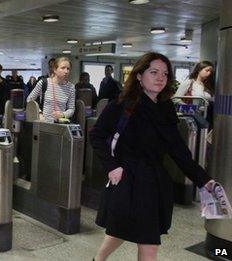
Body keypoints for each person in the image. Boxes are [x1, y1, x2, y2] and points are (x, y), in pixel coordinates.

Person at [90, 52, 215, 261]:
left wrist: (203, 180)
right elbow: (97, 135)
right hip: (127, 179)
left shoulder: (165, 107)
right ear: (139, 76)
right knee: (130, 234)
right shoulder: (122, 104)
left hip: (155, 181)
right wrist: (112, 166)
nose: (160, 78)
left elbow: (177, 149)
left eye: (165, 74)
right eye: (154, 72)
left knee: (139, 236)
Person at [26, 57, 75, 123]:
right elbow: (29, 99)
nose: (66, 71)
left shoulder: (71, 87)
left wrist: (63, 115)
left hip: (60, 126)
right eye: (63, 68)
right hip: (43, 124)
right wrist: (39, 114)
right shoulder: (44, 83)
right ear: (55, 69)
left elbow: (71, 109)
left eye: (68, 69)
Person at [174, 61, 215, 127]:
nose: (209, 73)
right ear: (199, 70)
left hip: (207, 114)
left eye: (211, 71)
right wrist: (189, 108)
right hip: (193, 114)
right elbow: (176, 99)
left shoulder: (208, 85)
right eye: (207, 70)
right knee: (204, 126)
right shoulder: (189, 82)